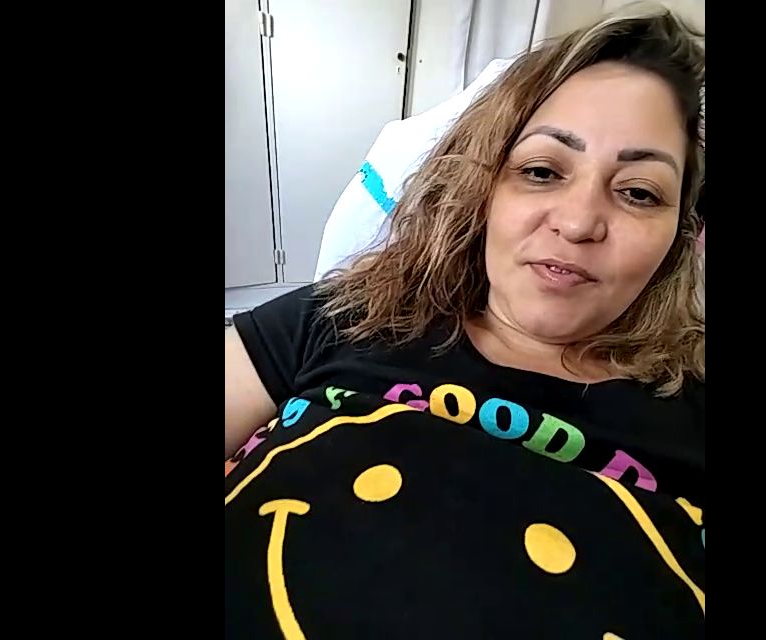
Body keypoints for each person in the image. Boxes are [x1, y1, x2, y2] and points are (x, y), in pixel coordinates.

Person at [225, 5, 705, 638]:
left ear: (679, 236)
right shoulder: (341, 315)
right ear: (483, 191)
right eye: (541, 171)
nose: (578, 223)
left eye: (639, 192)